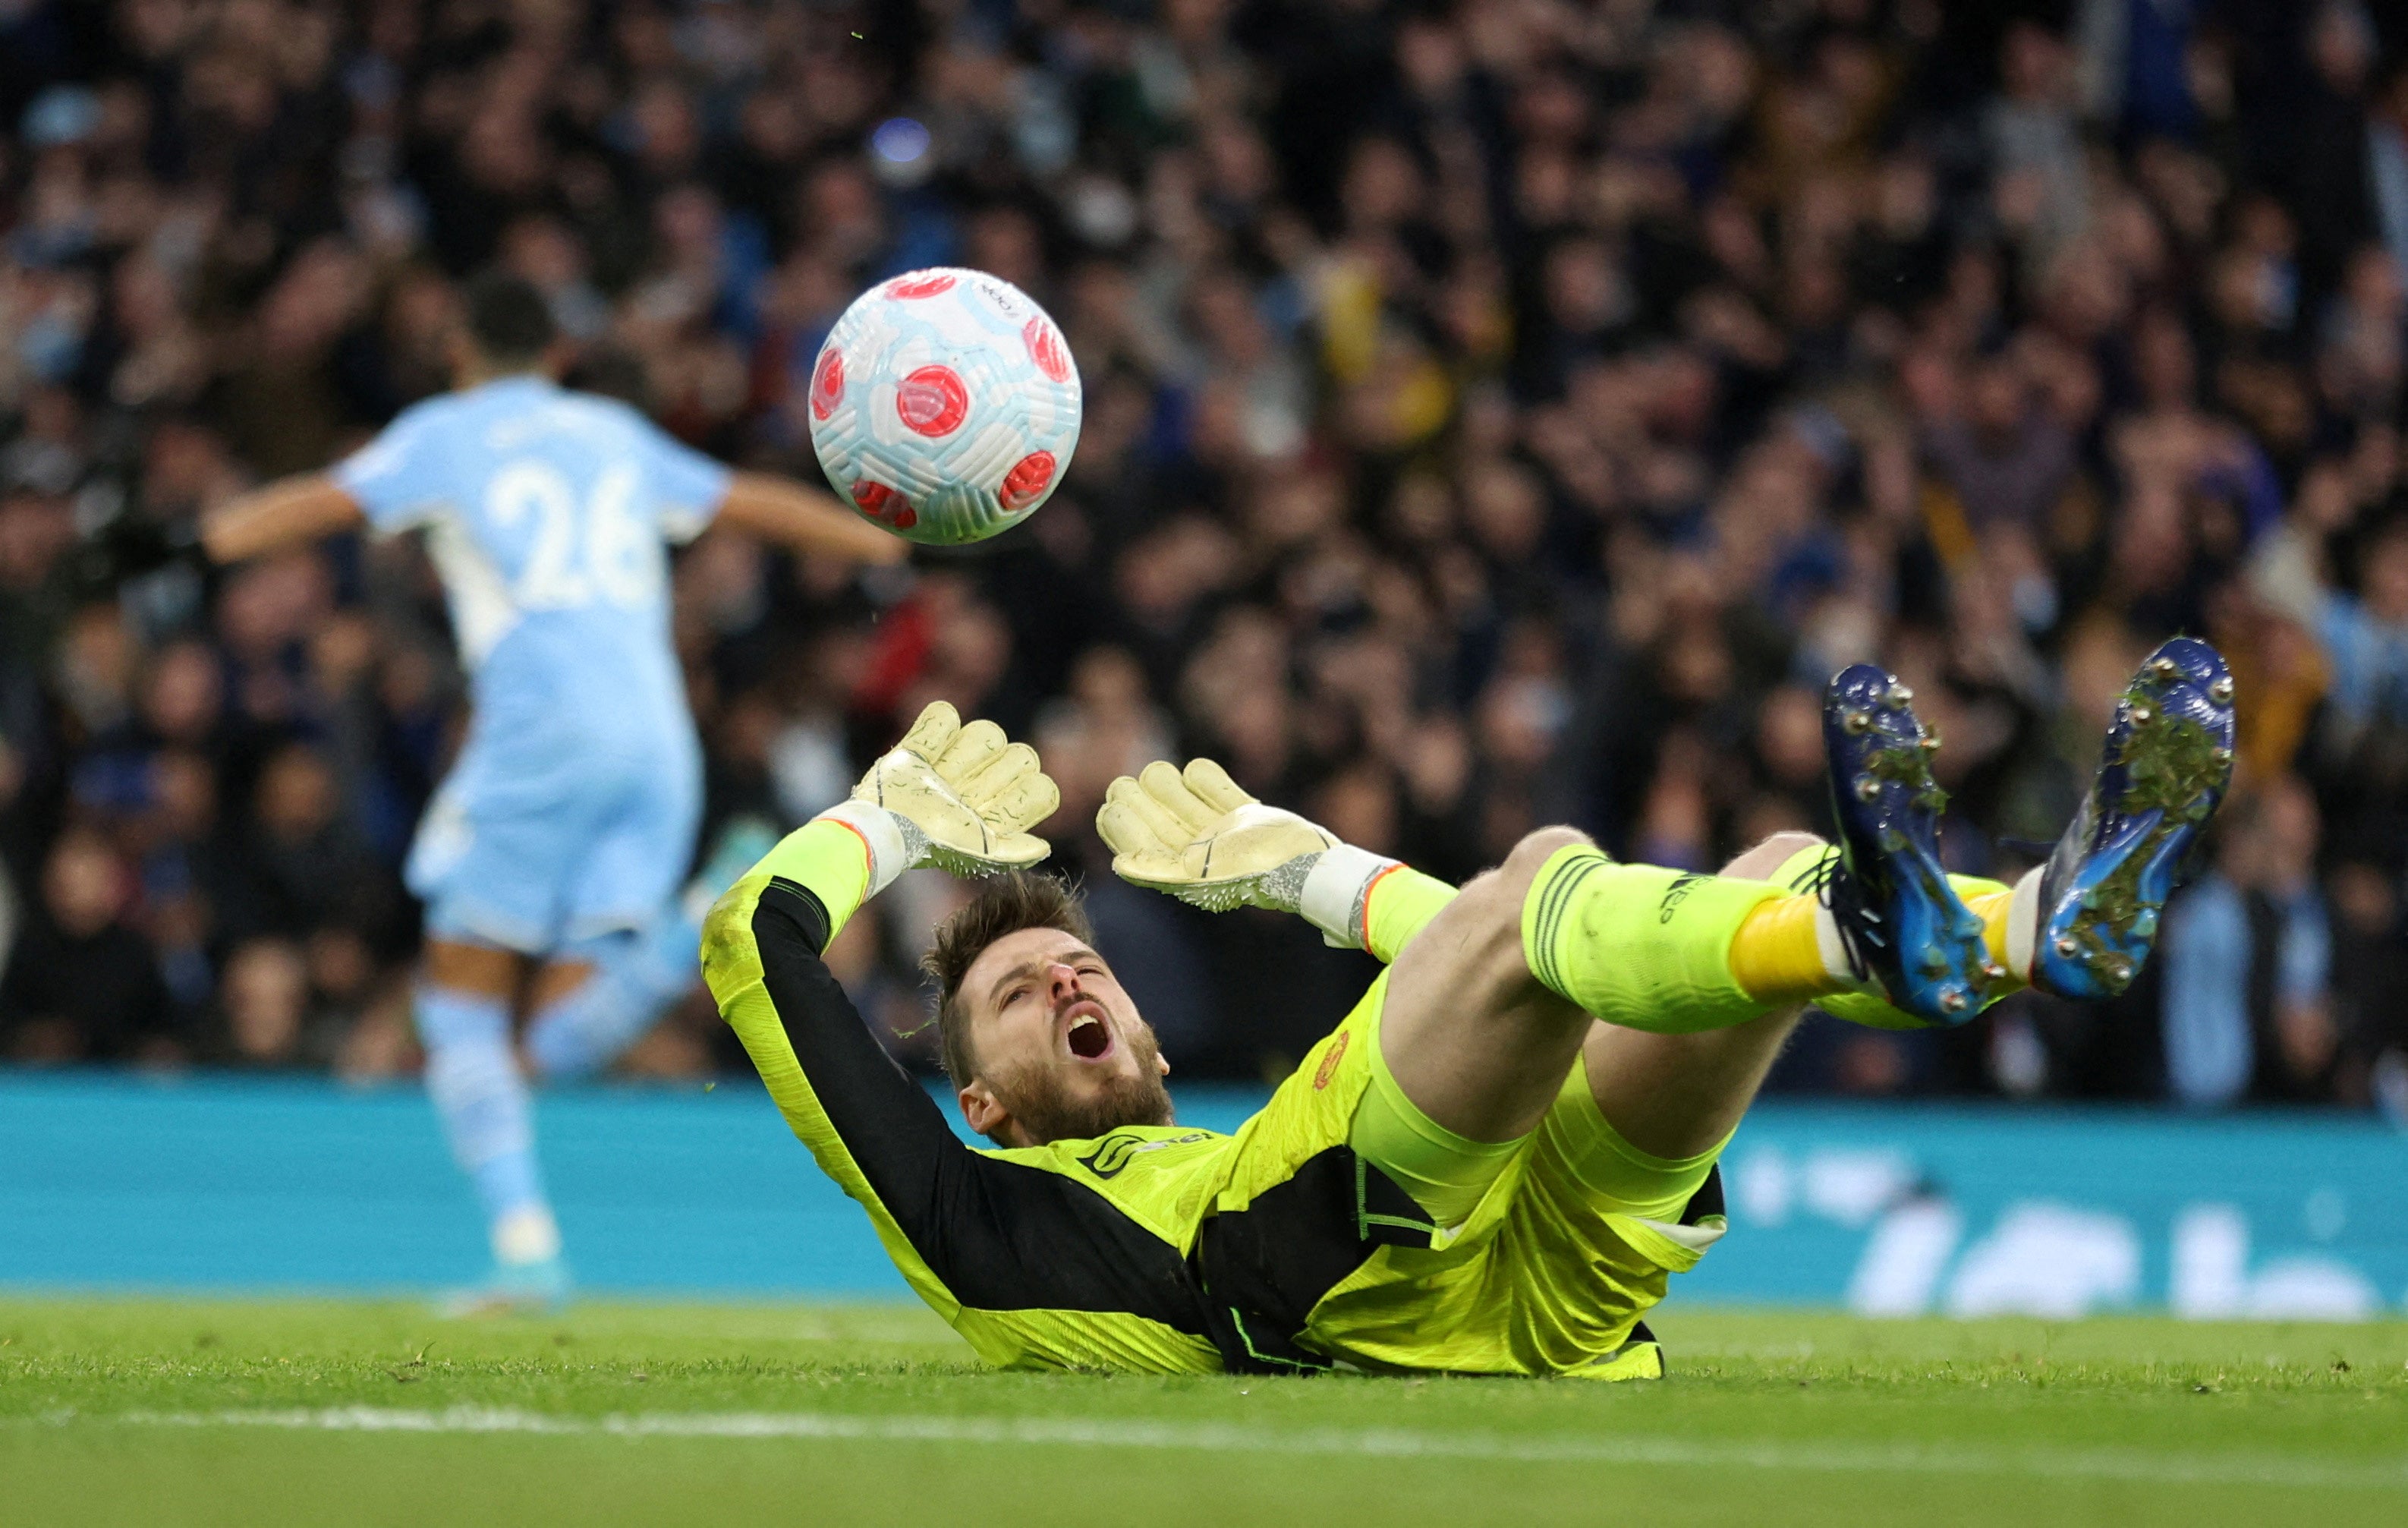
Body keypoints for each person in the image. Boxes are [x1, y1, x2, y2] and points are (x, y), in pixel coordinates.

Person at [701, 640, 2233, 1377]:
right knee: (1548, 877)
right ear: (987, 1100)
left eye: (1080, 965)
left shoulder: (1228, 1119)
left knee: (1768, 865)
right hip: (1316, 1276)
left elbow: (1550, 971)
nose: (1065, 977)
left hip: (1539, 1285)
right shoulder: (977, 1206)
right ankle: (1903, 926)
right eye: (1017, 999)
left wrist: (1316, 875)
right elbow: (751, 951)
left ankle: (2028, 920)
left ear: (1161, 1045)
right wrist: (880, 825)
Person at [191, 272, 904, 1308]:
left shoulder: (445, 432)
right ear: (558, 358)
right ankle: (690, 921)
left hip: (540, 735)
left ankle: (526, 1253)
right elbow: (748, 500)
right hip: (658, 745)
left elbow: (324, 501)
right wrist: (885, 540)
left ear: (456, 352)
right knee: (545, 1039)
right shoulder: (613, 433)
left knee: (455, 1005)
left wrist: (187, 541)